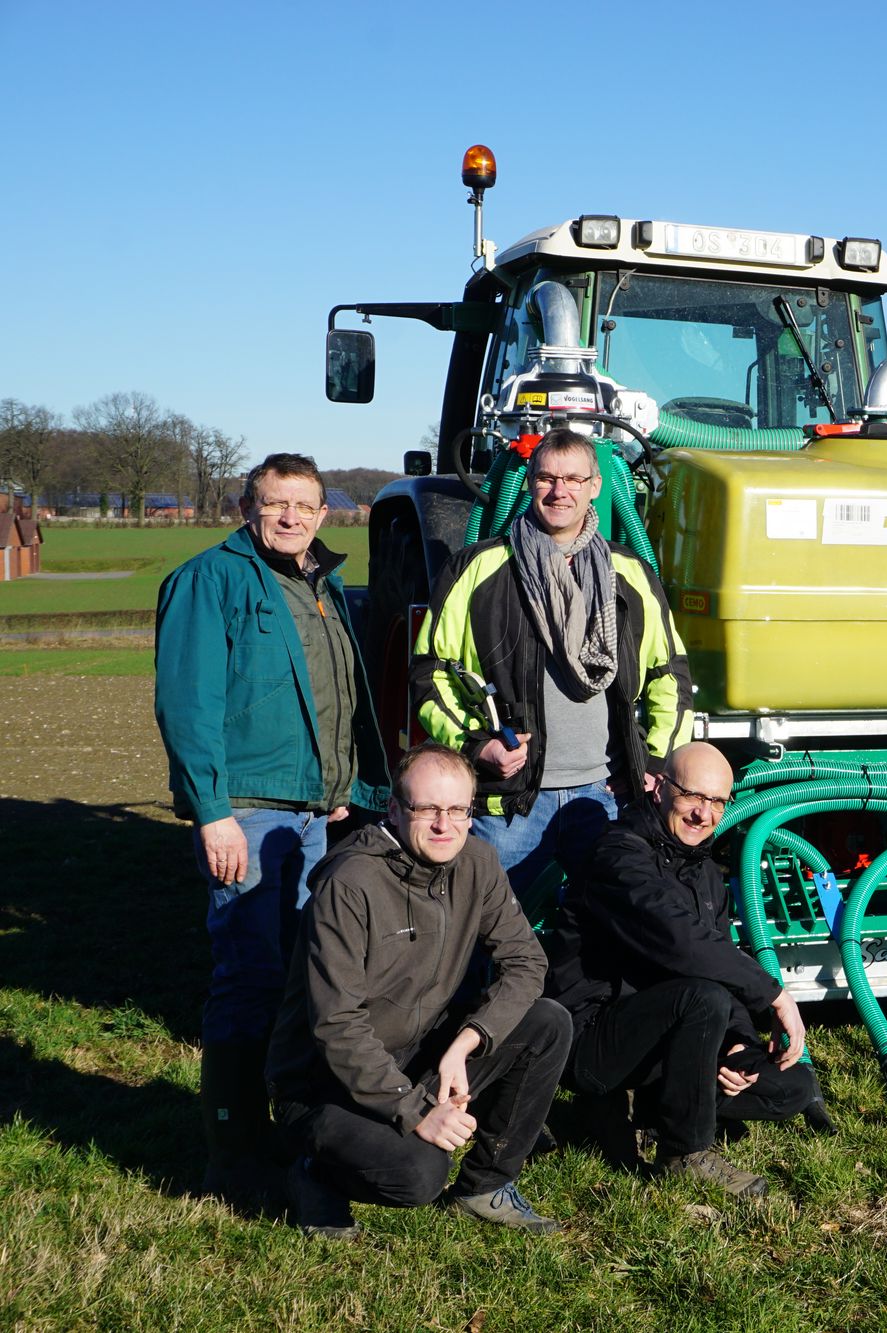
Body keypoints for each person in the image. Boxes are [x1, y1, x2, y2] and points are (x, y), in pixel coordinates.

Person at [153, 452, 391, 1201]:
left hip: (312, 813)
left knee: (299, 974)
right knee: (249, 975)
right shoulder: (211, 579)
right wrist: (211, 811)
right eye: (275, 502)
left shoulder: (317, 586)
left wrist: (341, 783)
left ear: (325, 514)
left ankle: (281, 1127)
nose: (291, 516)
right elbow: (186, 705)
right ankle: (232, 1151)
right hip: (247, 814)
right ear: (247, 508)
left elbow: (334, 694)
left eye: (305, 504)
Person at [266, 743, 572, 1238]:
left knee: (548, 1022)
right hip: (326, 1082)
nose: (443, 824)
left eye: (457, 810)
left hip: (415, 1050)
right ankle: (312, 1170)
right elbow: (336, 1026)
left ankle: (486, 1187)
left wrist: (468, 1040)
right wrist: (415, 1112)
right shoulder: (349, 884)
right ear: (394, 807)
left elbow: (526, 963)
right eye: (427, 809)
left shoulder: (477, 862)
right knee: (418, 1174)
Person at [413, 428, 695, 914]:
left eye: (572, 479)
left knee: (613, 934)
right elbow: (430, 674)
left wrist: (652, 762)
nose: (559, 490)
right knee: (478, 934)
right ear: (529, 482)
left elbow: (668, 675)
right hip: (510, 805)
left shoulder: (628, 575)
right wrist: (477, 747)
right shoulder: (478, 569)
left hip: (604, 798)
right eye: (546, 477)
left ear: (595, 487)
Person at [543, 742, 815, 1199]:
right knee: (700, 996)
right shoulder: (619, 855)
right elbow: (679, 940)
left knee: (793, 1085)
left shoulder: (706, 874)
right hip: (595, 1039)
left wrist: (739, 1043)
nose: (702, 814)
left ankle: (653, 1109)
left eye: (716, 802)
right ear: (659, 788)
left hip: (673, 1032)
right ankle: (683, 1153)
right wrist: (775, 995)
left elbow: (720, 955)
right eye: (692, 796)